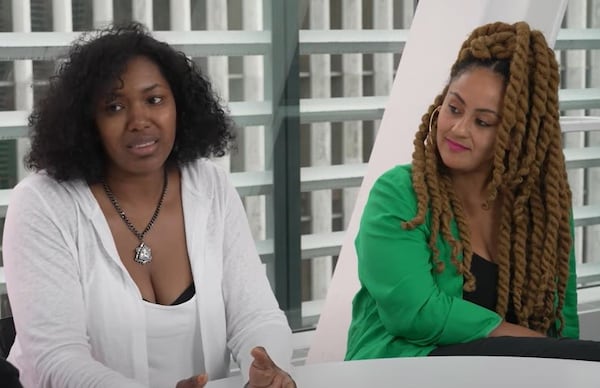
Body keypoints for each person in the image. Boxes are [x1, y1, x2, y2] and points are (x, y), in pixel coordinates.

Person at [2, 22, 295, 388]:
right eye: (114, 107)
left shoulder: (209, 184)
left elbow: (255, 314)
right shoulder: (43, 203)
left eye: (154, 100)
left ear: (180, 107)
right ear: (87, 121)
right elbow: (55, 358)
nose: (139, 121)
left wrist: (267, 370)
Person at [346, 21, 600, 361]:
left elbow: (561, 320)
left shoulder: (543, 208)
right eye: (454, 108)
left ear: (514, 136)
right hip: (403, 371)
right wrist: (534, 345)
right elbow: (415, 312)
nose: (459, 129)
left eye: (483, 122)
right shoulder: (399, 193)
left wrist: (561, 359)